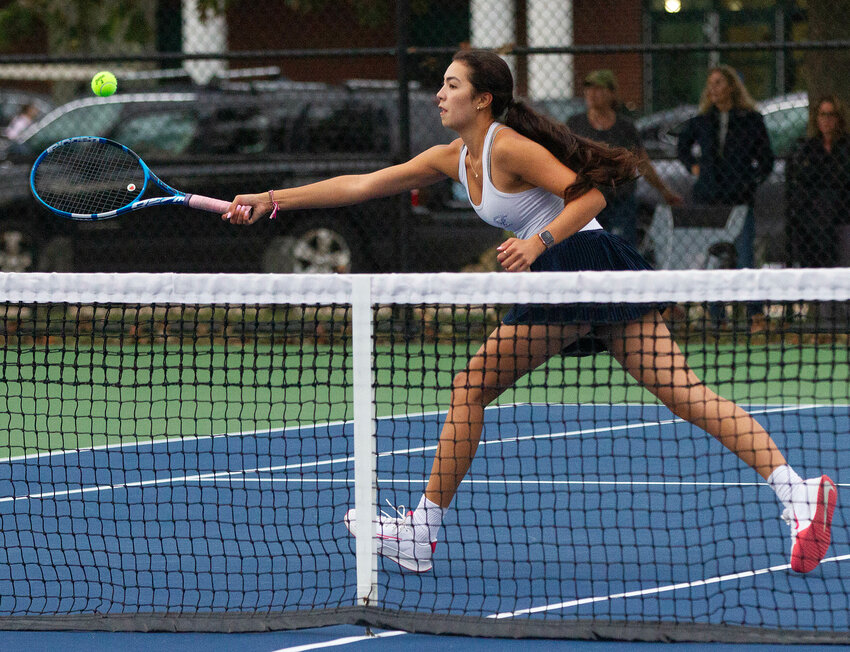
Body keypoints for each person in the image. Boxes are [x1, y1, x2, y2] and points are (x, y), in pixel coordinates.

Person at [222, 49, 836, 576]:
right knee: (683, 392)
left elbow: (591, 193)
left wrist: (539, 243)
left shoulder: (508, 147)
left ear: (484, 100)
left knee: (470, 385)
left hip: (578, 260)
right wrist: (271, 199)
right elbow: (361, 184)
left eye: (452, 85)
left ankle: (421, 531)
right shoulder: (450, 158)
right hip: (591, 267)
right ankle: (797, 489)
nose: (439, 93)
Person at [677, 65, 774, 326]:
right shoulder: (702, 120)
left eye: (719, 83)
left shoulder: (750, 119)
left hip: (739, 200)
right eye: (711, 84)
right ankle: (716, 315)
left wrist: (750, 181)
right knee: (715, 257)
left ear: (731, 86)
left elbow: (766, 159)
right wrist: (693, 166)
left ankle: (755, 314)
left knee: (744, 256)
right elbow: (682, 145)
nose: (713, 88)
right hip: (709, 199)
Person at [566, 69, 681, 247]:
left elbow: (641, 162)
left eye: (598, 89)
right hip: (587, 197)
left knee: (622, 247)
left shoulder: (625, 127)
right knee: (588, 249)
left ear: (612, 93)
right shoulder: (575, 123)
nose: (592, 94)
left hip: (620, 199)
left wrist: (664, 190)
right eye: (589, 89)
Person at [786, 95, 850, 268]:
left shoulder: (846, 147)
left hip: (842, 215)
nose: (826, 120)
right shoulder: (807, 149)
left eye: (831, 115)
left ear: (839, 118)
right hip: (813, 219)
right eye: (822, 115)